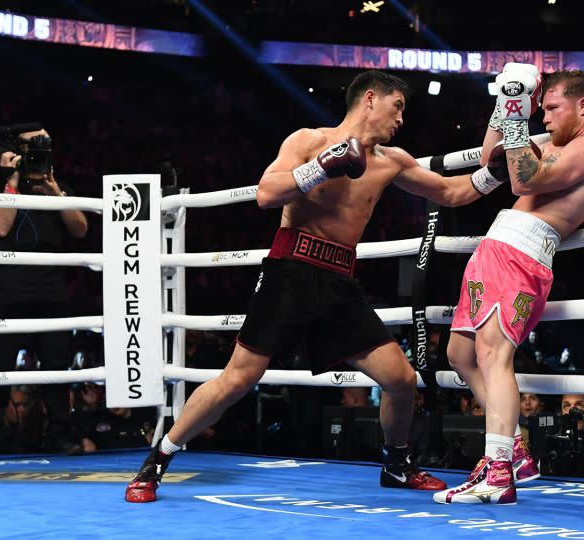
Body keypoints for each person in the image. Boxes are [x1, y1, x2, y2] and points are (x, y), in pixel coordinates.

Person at [126, 70, 516, 503]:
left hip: (339, 283)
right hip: (290, 269)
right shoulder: (309, 141)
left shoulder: (392, 160)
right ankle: (157, 460)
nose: (402, 118)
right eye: (397, 106)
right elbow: (266, 194)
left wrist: (495, 175)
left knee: (402, 379)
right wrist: (321, 167)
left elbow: (450, 191)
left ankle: (397, 463)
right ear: (370, 99)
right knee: (239, 378)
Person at [436, 65, 584, 504]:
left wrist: (519, 115)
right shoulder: (556, 143)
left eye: (552, 108)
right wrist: (508, 104)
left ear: (583, 106)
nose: (546, 118)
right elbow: (491, 159)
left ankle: (498, 469)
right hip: (499, 245)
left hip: (521, 252)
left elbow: (524, 179)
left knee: (493, 355)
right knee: (459, 354)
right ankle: (512, 448)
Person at [0, 124, 89, 454]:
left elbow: (80, 228)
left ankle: (60, 432)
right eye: (34, 143)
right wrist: (11, 181)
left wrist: (53, 190)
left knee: (56, 363)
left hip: (51, 290)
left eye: (46, 142)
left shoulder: (56, 187)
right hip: (7, 290)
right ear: (16, 149)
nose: (41, 147)